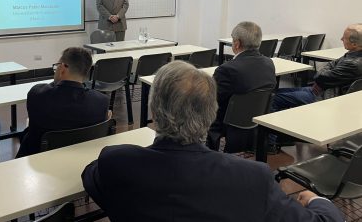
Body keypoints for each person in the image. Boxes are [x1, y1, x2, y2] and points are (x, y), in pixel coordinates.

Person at [82, 61, 344, 222]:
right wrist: (317, 201)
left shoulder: (116, 162)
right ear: (211, 113)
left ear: (154, 112)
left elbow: (91, 176)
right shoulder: (252, 178)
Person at [16, 47, 109, 158]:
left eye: (57, 66)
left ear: (62, 68)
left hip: (39, 160)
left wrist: (58, 80)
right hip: (80, 160)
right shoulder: (101, 102)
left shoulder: (36, 94)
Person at [207, 21, 276, 152]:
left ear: (237, 43)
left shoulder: (227, 70)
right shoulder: (269, 63)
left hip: (228, 124)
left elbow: (212, 100)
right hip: (256, 120)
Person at [273, 24, 362, 111]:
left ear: (354, 44)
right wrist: (327, 69)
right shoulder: (353, 55)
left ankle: (271, 125)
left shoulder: (353, 63)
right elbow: (332, 64)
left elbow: (320, 77)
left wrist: (324, 70)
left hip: (324, 97)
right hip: (321, 90)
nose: (341, 39)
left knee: (273, 99)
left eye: (344, 38)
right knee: (273, 93)